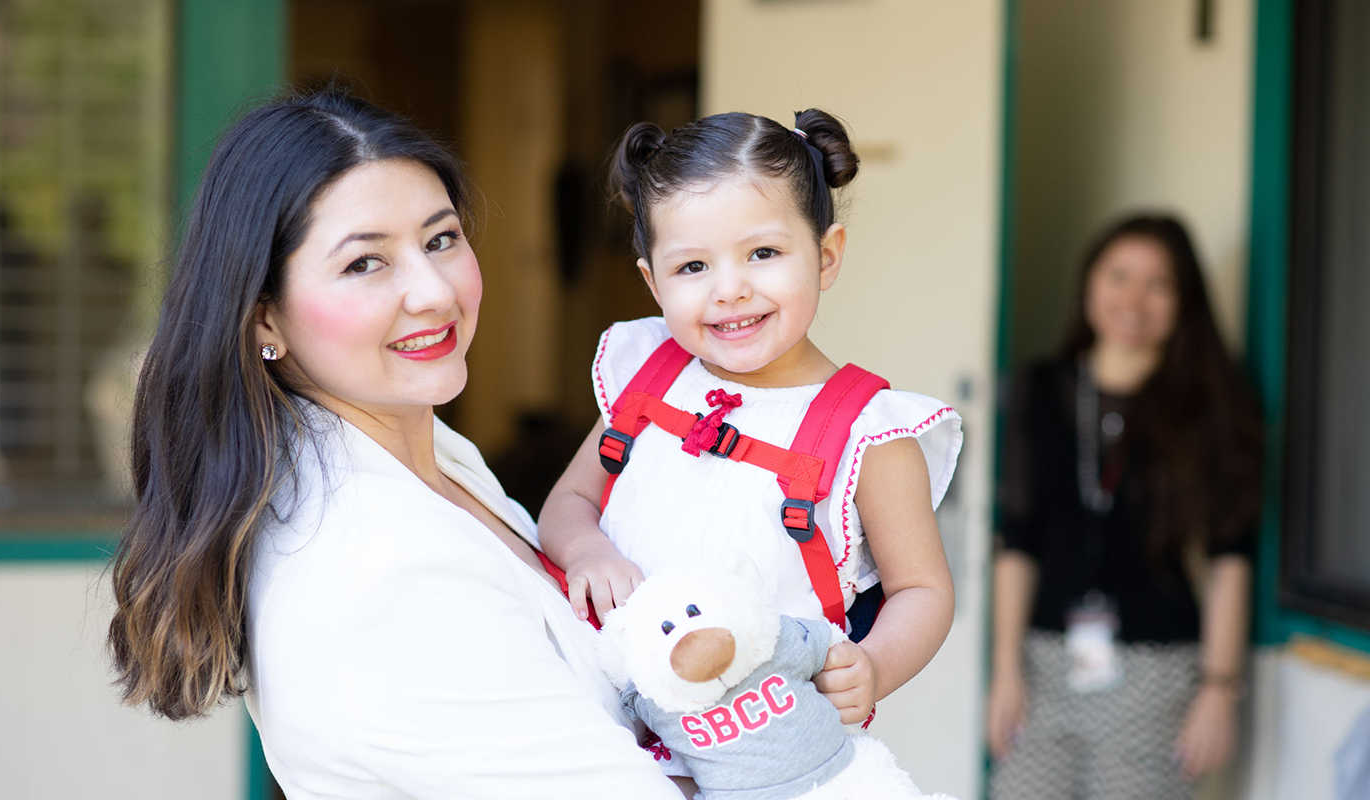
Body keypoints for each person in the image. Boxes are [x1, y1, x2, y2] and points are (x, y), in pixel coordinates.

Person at [107, 89, 683, 800]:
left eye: (441, 239)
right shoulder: (381, 568)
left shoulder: (422, 451)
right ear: (264, 321)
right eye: (364, 264)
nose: (434, 292)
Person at [538, 110, 963, 735]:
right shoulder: (648, 377)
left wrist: (872, 665)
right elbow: (570, 498)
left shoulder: (868, 433)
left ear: (826, 256)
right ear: (653, 283)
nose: (729, 289)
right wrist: (586, 551)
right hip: (611, 734)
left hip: (764, 749)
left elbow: (922, 590)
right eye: (693, 267)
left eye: (762, 253)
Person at [986, 214, 1264, 799]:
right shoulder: (1042, 389)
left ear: (1184, 300)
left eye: (1158, 283)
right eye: (1119, 276)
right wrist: (1005, 670)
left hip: (1156, 673)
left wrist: (1219, 689)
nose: (1134, 298)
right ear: (1089, 287)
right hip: (1044, 663)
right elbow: (1018, 539)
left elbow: (1230, 558)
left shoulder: (1211, 405)